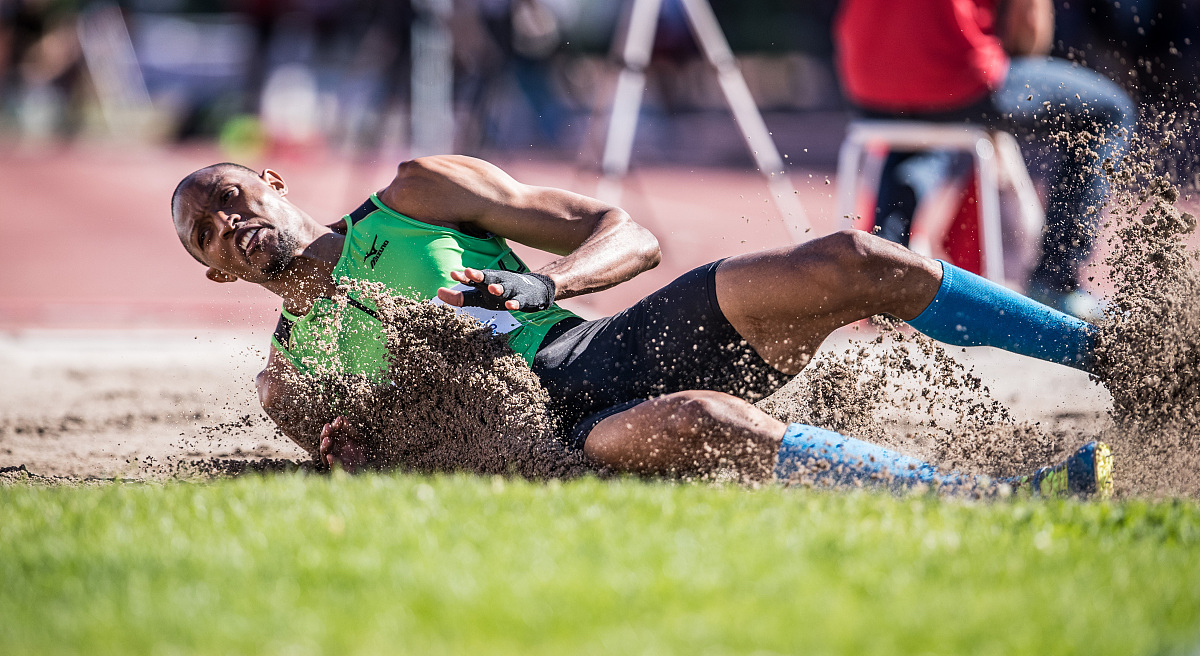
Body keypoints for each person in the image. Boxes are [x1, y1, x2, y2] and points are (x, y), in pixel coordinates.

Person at [170, 157, 1111, 497]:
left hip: (593, 345)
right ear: (216, 270)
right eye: (207, 235)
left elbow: (630, 234)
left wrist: (548, 286)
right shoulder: (289, 380)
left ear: (271, 182)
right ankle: (999, 499)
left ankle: (1111, 355)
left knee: (858, 259)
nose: (230, 224)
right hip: (550, 443)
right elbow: (378, 478)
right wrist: (356, 465)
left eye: (229, 196)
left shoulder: (415, 197)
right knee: (701, 417)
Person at [835, 0, 1137, 318]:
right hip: (959, 79)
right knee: (1109, 112)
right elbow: (1030, 21)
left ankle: (884, 270)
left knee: (921, 122)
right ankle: (1056, 282)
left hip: (866, 82)